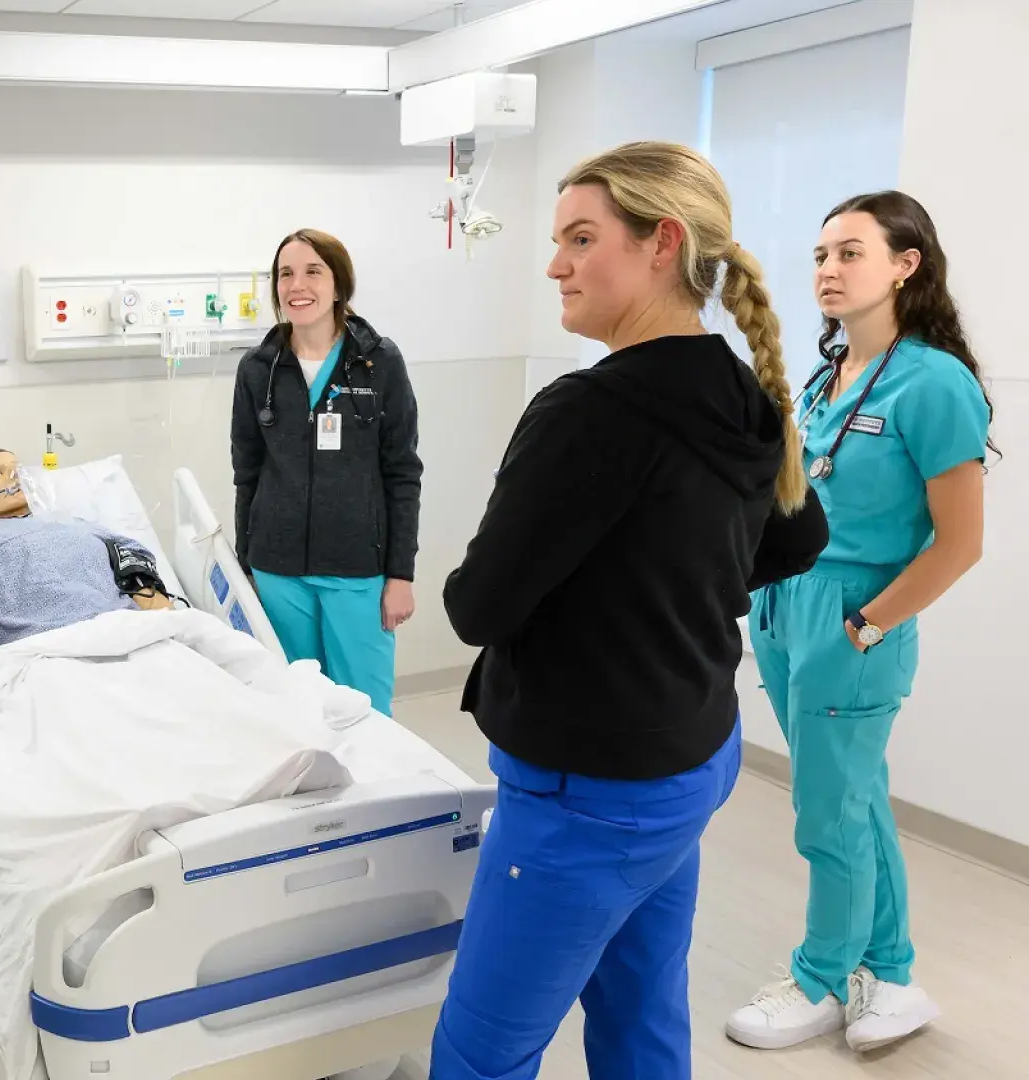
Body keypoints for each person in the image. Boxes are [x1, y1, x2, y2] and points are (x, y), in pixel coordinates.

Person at [431, 141, 830, 1079]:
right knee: (640, 1012)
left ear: (663, 244)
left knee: (480, 1052)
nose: (555, 263)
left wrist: (642, 592)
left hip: (589, 788)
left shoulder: (590, 411)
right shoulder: (743, 387)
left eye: (580, 237)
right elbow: (796, 541)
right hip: (688, 758)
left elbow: (476, 604)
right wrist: (670, 595)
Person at [725, 191, 991, 1054]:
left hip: (854, 620)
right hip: (783, 608)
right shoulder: (826, 370)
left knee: (824, 817)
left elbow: (960, 544)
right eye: (819, 255)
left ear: (905, 266)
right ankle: (893, 969)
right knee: (855, 802)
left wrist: (867, 630)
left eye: (848, 253)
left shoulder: (935, 382)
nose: (826, 271)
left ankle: (821, 975)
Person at [230, 228, 421, 717]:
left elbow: (402, 471)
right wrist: (247, 565)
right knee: (294, 708)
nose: (298, 285)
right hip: (278, 568)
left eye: (313, 271)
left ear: (339, 284)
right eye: (286, 274)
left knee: (365, 709)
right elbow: (246, 473)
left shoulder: (380, 362)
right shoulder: (258, 368)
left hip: (358, 567)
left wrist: (400, 574)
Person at [0, 448, 174, 705]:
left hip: (130, 646)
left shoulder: (78, 525)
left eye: (17, 467)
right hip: (40, 664)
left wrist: (170, 627)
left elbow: (136, 570)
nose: (15, 474)